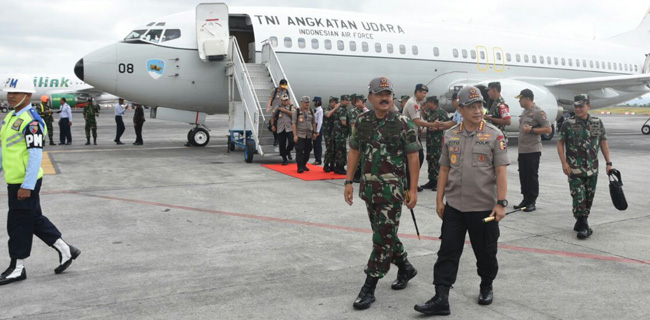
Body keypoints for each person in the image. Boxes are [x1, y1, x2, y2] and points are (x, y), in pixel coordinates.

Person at [415, 85, 509, 316]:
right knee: (447, 252)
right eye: (472, 107)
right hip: (455, 207)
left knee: (486, 252)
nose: (477, 111)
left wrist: (501, 203)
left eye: (480, 106)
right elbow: (444, 169)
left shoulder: (495, 134)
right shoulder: (450, 134)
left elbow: (501, 172)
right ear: (461, 108)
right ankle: (441, 297)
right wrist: (439, 200)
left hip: (484, 208)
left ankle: (486, 285)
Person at [345, 77, 421, 310]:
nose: (384, 97)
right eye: (379, 93)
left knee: (381, 239)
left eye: (388, 93)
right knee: (384, 234)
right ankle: (406, 267)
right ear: (370, 98)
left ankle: (369, 287)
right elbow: (355, 150)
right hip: (369, 189)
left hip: (392, 192)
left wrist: (413, 189)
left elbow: (413, 156)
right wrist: (348, 181)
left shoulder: (403, 123)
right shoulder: (362, 120)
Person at [0, 75, 81, 286]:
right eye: (9, 93)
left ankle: (17, 268)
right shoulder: (11, 117)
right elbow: (5, 148)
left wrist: (26, 186)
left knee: (17, 224)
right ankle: (66, 250)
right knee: (33, 219)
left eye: (16, 93)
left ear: (27, 95)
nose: (11, 96)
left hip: (24, 182)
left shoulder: (32, 121)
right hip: (15, 179)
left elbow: (36, 156)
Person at [557, 94, 612, 240]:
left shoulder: (596, 122)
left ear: (588, 106)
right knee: (578, 196)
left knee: (589, 197)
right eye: (576, 106)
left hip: (592, 168)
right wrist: (564, 162)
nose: (578, 109)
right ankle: (583, 225)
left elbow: (603, 142)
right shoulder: (568, 123)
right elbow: (560, 143)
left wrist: (609, 163)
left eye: (581, 106)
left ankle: (581, 220)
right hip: (574, 168)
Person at [514, 89, 552, 212]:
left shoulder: (538, 112)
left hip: (532, 150)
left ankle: (532, 201)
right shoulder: (525, 112)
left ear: (528, 99)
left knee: (531, 176)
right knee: (523, 175)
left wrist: (532, 130)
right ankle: (525, 198)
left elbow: (548, 129)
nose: (519, 101)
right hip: (523, 150)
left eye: (521, 98)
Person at [402, 84, 438, 192]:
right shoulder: (412, 103)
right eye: (423, 92)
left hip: (414, 134)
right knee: (416, 159)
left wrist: (423, 126)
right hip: (409, 135)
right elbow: (416, 121)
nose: (424, 95)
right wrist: (432, 124)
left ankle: (410, 183)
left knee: (417, 159)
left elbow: (418, 120)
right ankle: (409, 184)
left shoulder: (416, 103)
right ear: (417, 92)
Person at [420, 96, 450, 191]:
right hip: (430, 140)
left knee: (437, 160)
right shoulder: (431, 112)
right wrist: (422, 110)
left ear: (433, 102)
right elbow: (426, 119)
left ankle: (438, 181)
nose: (427, 104)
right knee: (430, 159)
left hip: (437, 140)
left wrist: (437, 128)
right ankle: (432, 180)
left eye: (428, 102)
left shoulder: (441, 112)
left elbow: (447, 125)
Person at [292, 96, 317, 173]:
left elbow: (313, 123)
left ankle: (304, 164)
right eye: (305, 102)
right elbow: (294, 123)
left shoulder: (311, 111)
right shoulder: (297, 111)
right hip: (300, 135)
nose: (307, 104)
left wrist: (315, 132)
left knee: (308, 151)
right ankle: (299, 167)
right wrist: (295, 135)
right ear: (302, 103)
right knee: (299, 151)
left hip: (308, 135)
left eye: (308, 102)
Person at [348, 94, 369, 182]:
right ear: (357, 102)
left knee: (364, 156)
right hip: (357, 136)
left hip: (365, 136)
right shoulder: (353, 111)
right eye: (362, 101)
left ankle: (361, 173)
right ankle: (355, 175)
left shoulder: (365, 110)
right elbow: (353, 126)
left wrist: (364, 108)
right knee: (356, 156)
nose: (364, 103)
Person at [271, 94, 295, 165]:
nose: (286, 101)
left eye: (287, 100)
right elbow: (272, 116)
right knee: (282, 144)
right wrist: (272, 125)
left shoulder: (291, 107)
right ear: (281, 101)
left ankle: (288, 151)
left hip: (289, 128)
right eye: (284, 100)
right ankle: (284, 159)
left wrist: (285, 110)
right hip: (281, 128)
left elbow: (294, 114)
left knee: (292, 142)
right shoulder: (278, 107)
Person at [332, 95, 351, 175]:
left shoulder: (340, 109)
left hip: (337, 133)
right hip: (340, 134)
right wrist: (350, 127)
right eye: (346, 100)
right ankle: (340, 168)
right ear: (342, 101)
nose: (348, 102)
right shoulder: (342, 110)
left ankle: (337, 167)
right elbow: (343, 122)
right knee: (341, 150)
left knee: (338, 150)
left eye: (348, 100)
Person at [267, 79, 289, 146]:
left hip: (282, 110)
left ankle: (279, 139)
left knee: (280, 126)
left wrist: (292, 106)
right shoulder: (275, 90)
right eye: (283, 86)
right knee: (273, 125)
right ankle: (276, 138)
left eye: (285, 86)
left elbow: (288, 100)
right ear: (280, 85)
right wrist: (268, 107)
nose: (283, 87)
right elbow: (270, 99)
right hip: (275, 110)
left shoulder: (286, 91)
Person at [322, 97, 338, 172]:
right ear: (331, 102)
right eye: (335, 102)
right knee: (329, 149)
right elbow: (328, 115)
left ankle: (332, 164)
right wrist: (335, 109)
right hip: (327, 132)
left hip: (334, 132)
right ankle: (326, 164)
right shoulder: (327, 109)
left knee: (334, 149)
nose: (336, 104)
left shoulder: (336, 110)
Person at [311, 97, 324, 165]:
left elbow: (320, 122)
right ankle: (316, 158)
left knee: (317, 144)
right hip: (314, 127)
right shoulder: (315, 110)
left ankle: (318, 159)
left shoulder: (320, 110)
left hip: (317, 128)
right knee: (315, 144)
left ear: (318, 102)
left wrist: (317, 132)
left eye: (315, 101)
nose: (313, 103)